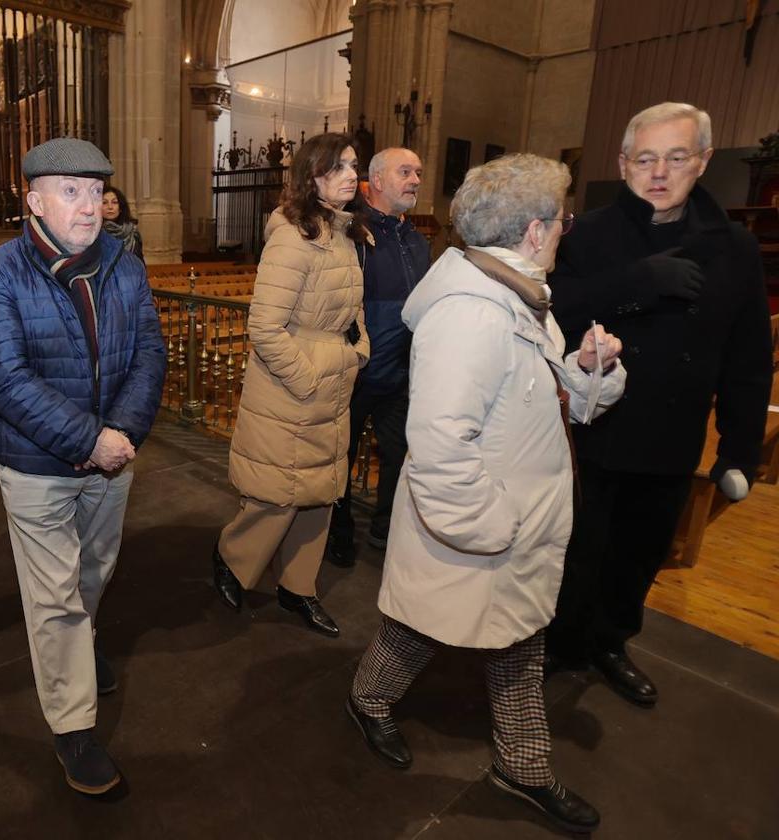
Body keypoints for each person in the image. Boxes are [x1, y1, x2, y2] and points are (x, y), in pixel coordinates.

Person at [347, 154, 625, 835]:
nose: (566, 230)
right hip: (486, 525)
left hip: (516, 522)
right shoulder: (472, 314)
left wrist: (589, 371)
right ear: (533, 231)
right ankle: (367, 700)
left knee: (515, 646)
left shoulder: (520, 294)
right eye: (561, 220)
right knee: (417, 632)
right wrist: (494, 528)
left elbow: (551, 399)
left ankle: (523, 766)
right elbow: (440, 444)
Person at [545, 102, 773, 705]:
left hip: (671, 434)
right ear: (623, 165)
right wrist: (635, 284)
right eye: (645, 158)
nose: (659, 172)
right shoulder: (586, 234)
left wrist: (739, 450)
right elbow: (553, 315)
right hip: (590, 432)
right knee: (576, 553)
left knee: (639, 556)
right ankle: (559, 646)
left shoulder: (734, 248)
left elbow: (748, 359)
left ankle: (612, 644)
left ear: (702, 161)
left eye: (676, 157)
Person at [0, 138, 165, 795]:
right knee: (53, 595)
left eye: (95, 191)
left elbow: (149, 353)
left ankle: (77, 650)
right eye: (70, 191)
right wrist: (89, 439)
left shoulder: (124, 264)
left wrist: (123, 432)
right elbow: (5, 378)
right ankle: (73, 728)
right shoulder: (0, 272)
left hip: (113, 458)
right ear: (34, 200)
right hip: (38, 463)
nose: (89, 205)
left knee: (94, 569)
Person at [211, 132, 370, 638]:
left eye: (353, 165)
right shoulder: (293, 234)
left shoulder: (344, 232)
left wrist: (358, 350)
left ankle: (298, 587)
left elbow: (352, 312)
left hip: (331, 379)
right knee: (277, 493)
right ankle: (232, 560)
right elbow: (264, 327)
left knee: (321, 492)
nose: (350, 174)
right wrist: (307, 379)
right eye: (338, 167)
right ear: (311, 176)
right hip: (293, 388)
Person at [325, 147, 430, 568]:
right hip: (357, 371)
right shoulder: (352, 233)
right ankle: (339, 530)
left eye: (419, 172)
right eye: (406, 172)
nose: (416, 180)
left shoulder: (419, 242)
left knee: (400, 455)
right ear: (378, 180)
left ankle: (388, 526)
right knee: (341, 457)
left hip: (403, 375)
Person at [100, 186, 144, 261]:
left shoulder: (132, 233)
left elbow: (139, 263)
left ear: (120, 208)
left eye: (114, 202)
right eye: (104, 202)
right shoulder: (93, 233)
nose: (110, 207)